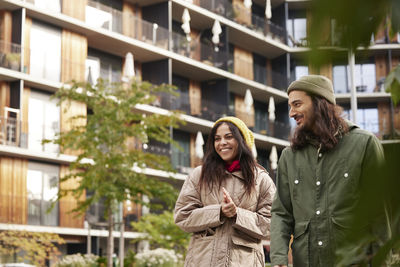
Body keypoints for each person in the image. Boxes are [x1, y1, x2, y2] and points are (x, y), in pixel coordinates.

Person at [270, 75, 386, 266]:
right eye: (290, 106)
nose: (291, 113)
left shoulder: (364, 144)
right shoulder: (288, 157)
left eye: (297, 104)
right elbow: (281, 213)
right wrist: (279, 258)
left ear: (319, 103)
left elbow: (379, 213)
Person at [174, 116, 276, 267]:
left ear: (242, 141)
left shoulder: (261, 179)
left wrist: (237, 214)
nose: (222, 143)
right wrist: (219, 212)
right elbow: (182, 216)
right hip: (202, 261)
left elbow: (273, 224)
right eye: (217, 138)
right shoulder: (199, 175)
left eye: (229, 137)